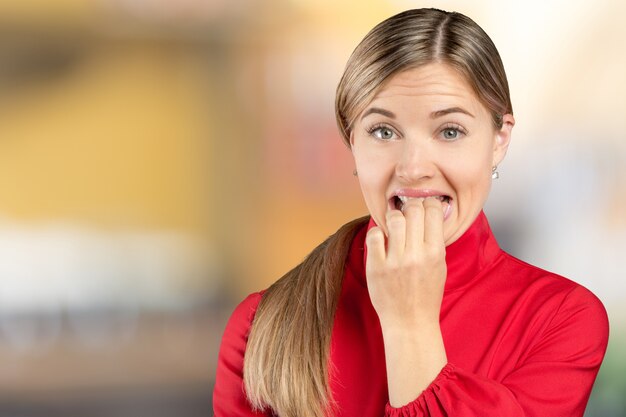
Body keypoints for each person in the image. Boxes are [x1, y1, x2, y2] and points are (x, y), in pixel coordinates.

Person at [213, 8, 609, 417]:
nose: (414, 167)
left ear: (499, 140)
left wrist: (410, 323)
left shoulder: (563, 321)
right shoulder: (262, 327)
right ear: (353, 144)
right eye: (383, 132)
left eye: (450, 131)